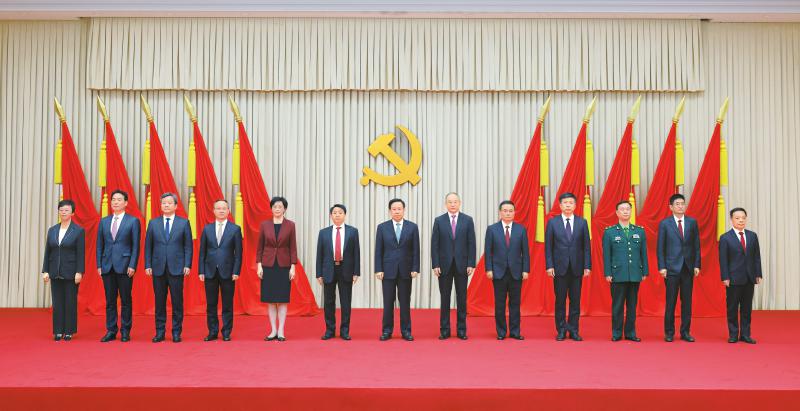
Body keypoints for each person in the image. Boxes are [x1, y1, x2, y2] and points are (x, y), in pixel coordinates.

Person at [145, 192, 193, 343]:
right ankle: (160, 332)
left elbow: (188, 246)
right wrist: (148, 264)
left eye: (169, 203)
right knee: (159, 302)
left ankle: (176, 332)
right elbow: (148, 246)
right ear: (160, 206)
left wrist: (187, 264)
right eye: (164, 203)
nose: (166, 205)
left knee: (177, 301)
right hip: (158, 267)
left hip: (177, 267)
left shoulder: (183, 223)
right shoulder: (153, 223)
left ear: (176, 206)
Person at [544, 192, 591, 341]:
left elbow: (586, 246)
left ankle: (574, 330)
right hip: (559, 268)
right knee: (560, 300)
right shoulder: (553, 223)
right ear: (560, 205)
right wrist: (549, 265)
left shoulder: (582, 222)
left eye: (571, 203)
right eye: (565, 203)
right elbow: (548, 247)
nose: (568, 205)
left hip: (577, 267)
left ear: (575, 205)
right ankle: (561, 330)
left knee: (575, 301)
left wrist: (587, 265)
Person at [96, 189, 140, 343]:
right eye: (113, 199)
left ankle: (125, 331)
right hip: (107, 265)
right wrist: (99, 264)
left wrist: (133, 265)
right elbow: (99, 245)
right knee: (110, 301)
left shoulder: (133, 221)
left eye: (119, 200)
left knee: (126, 300)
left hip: (125, 266)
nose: (115, 202)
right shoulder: (104, 221)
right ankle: (111, 330)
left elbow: (136, 246)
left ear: (126, 203)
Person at [431, 192, 476, 340]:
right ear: (446, 204)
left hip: (462, 265)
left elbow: (471, 243)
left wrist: (471, 263)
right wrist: (435, 264)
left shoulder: (468, 220)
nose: (452, 204)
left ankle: (461, 330)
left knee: (461, 298)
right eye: (450, 202)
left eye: (455, 201)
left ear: (459, 203)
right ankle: (444, 330)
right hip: (444, 266)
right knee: (445, 298)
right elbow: (435, 244)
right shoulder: (439, 221)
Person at [657, 193, 701, 342]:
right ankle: (669, 332)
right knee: (671, 301)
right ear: (671, 207)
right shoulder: (665, 224)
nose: (681, 206)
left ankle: (685, 332)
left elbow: (696, 245)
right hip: (671, 268)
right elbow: (660, 247)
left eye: (682, 203)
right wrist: (662, 266)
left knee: (687, 302)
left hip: (688, 268)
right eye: (677, 204)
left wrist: (697, 264)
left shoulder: (692, 222)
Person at [375, 198, 420, 341]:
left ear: (404, 210)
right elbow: (378, 250)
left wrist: (415, 268)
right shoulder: (382, 227)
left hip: (406, 270)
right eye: (394, 209)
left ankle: (406, 331)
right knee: (388, 302)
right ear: (390, 211)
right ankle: (387, 331)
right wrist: (378, 269)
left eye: (399, 209)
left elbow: (416, 249)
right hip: (387, 270)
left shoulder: (412, 227)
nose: (397, 211)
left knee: (405, 302)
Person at [603, 200, 648, 342]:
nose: (625, 211)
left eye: (628, 209)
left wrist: (645, 271)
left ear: (631, 211)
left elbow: (643, 253)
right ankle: (616, 333)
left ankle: (630, 333)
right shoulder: (609, 232)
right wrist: (608, 273)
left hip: (634, 273)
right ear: (617, 213)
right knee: (617, 306)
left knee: (632, 306)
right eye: (622, 209)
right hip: (617, 274)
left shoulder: (639, 231)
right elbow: (607, 255)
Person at [484, 200, 530, 340]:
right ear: (500, 212)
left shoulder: (521, 229)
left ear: (514, 213)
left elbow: (525, 252)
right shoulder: (492, 229)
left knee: (515, 304)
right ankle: (501, 332)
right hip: (498, 272)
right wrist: (489, 269)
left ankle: (515, 332)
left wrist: (526, 270)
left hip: (516, 272)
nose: (508, 213)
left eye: (510, 211)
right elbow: (488, 251)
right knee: (500, 304)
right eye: (505, 211)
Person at [198, 200, 243, 342]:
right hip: (210, 270)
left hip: (228, 271)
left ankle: (226, 332)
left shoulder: (235, 229)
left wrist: (236, 271)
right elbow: (202, 252)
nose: (221, 210)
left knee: (227, 304)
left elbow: (238, 253)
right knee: (211, 304)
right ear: (214, 211)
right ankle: (212, 331)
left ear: (228, 211)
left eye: (224, 208)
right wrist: (201, 271)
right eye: (218, 208)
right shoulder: (207, 229)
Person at [316, 204, 360, 341]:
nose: (337, 215)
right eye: (334, 212)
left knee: (346, 302)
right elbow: (319, 254)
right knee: (329, 302)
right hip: (328, 270)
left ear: (344, 215)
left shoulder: (353, 232)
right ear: (331, 216)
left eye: (340, 212)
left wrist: (356, 272)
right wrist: (319, 273)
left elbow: (356, 253)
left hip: (346, 269)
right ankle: (330, 330)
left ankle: (345, 331)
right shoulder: (323, 232)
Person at [42, 199, 84, 341]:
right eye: (61, 210)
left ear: (72, 213)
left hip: (71, 272)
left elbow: (81, 253)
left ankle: (69, 331)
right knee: (57, 302)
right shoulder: (52, 230)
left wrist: (79, 271)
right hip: (55, 271)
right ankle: (58, 331)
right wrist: (45, 270)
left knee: (70, 302)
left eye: (66, 210)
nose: (63, 212)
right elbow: (48, 252)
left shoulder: (78, 230)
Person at [719, 207, 763, 344]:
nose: (741, 220)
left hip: (749, 277)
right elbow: (723, 260)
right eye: (737, 218)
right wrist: (725, 277)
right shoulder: (725, 238)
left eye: (743, 218)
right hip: (733, 278)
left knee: (746, 308)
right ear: (731, 220)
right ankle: (733, 334)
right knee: (732, 307)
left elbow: (756, 257)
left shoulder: (752, 236)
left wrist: (758, 273)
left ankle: (745, 334)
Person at [257, 196, 297, 342]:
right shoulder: (264, 225)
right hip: (268, 265)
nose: (277, 209)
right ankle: (273, 329)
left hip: (284, 266)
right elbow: (260, 247)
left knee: (282, 299)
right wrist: (259, 265)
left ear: (284, 209)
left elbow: (293, 247)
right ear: (271, 208)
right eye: (275, 207)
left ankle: (281, 330)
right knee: (270, 300)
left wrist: (293, 267)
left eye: (280, 207)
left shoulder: (290, 225)